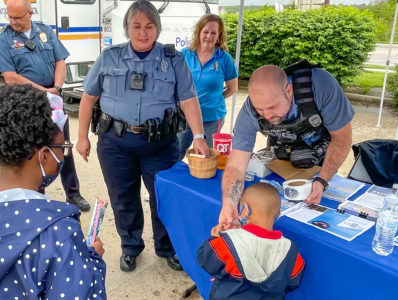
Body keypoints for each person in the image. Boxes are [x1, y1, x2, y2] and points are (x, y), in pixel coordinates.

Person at [76, 0, 209, 272]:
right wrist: (82, 137)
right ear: (127, 28)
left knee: (163, 196)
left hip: (160, 144)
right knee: (123, 197)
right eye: (136, 26)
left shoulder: (173, 59)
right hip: (115, 143)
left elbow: (188, 99)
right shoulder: (109, 57)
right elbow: (88, 97)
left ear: (157, 29)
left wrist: (199, 136)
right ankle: (130, 247)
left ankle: (167, 247)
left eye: (149, 26)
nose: (143, 32)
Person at [0, 84, 106, 299]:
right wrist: (92, 260)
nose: (63, 156)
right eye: (62, 148)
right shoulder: (58, 232)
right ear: (45, 155)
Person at [219, 62, 354, 229]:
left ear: (289, 91)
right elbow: (236, 166)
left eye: (272, 107)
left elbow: (342, 138)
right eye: (260, 110)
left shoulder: (320, 86)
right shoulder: (249, 111)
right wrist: (229, 203)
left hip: (322, 158)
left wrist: (322, 180)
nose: (267, 115)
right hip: (282, 158)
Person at [0, 0, 90, 211]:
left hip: (54, 97)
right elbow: (10, 77)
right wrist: (44, 92)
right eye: (10, 17)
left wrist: (57, 88)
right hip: (27, 102)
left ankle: (73, 194)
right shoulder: (4, 39)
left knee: (62, 147)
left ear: (30, 13)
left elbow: (60, 60)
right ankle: (35, 197)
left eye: (18, 17)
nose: (13, 22)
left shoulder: (45, 31)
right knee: (31, 152)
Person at [197, 182, 305, 299]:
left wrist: (214, 238)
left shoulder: (228, 242)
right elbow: (292, 283)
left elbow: (206, 262)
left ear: (245, 211)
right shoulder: (291, 251)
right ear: (278, 214)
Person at [178, 13, 238, 159]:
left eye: (213, 33)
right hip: (185, 117)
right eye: (205, 32)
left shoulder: (224, 58)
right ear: (199, 33)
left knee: (207, 157)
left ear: (219, 36)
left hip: (212, 118)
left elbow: (233, 88)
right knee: (175, 154)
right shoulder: (185, 54)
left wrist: (216, 98)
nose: (209, 36)